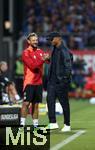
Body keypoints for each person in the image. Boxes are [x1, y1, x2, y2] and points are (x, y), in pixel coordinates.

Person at [20, 32, 49, 127]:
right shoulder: (26, 53)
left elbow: (47, 61)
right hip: (29, 82)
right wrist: (43, 59)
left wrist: (48, 58)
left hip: (39, 82)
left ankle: (35, 125)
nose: (35, 42)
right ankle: (22, 125)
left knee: (36, 105)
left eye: (36, 40)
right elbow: (33, 66)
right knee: (26, 103)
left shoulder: (40, 51)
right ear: (28, 41)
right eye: (33, 40)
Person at [46, 31, 73, 132]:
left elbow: (68, 67)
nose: (51, 41)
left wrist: (64, 80)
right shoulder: (54, 49)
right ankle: (53, 123)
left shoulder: (64, 50)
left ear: (58, 38)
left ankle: (67, 124)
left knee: (64, 103)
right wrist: (48, 60)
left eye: (52, 39)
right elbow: (55, 64)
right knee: (50, 101)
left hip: (61, 82)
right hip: (52, 82)